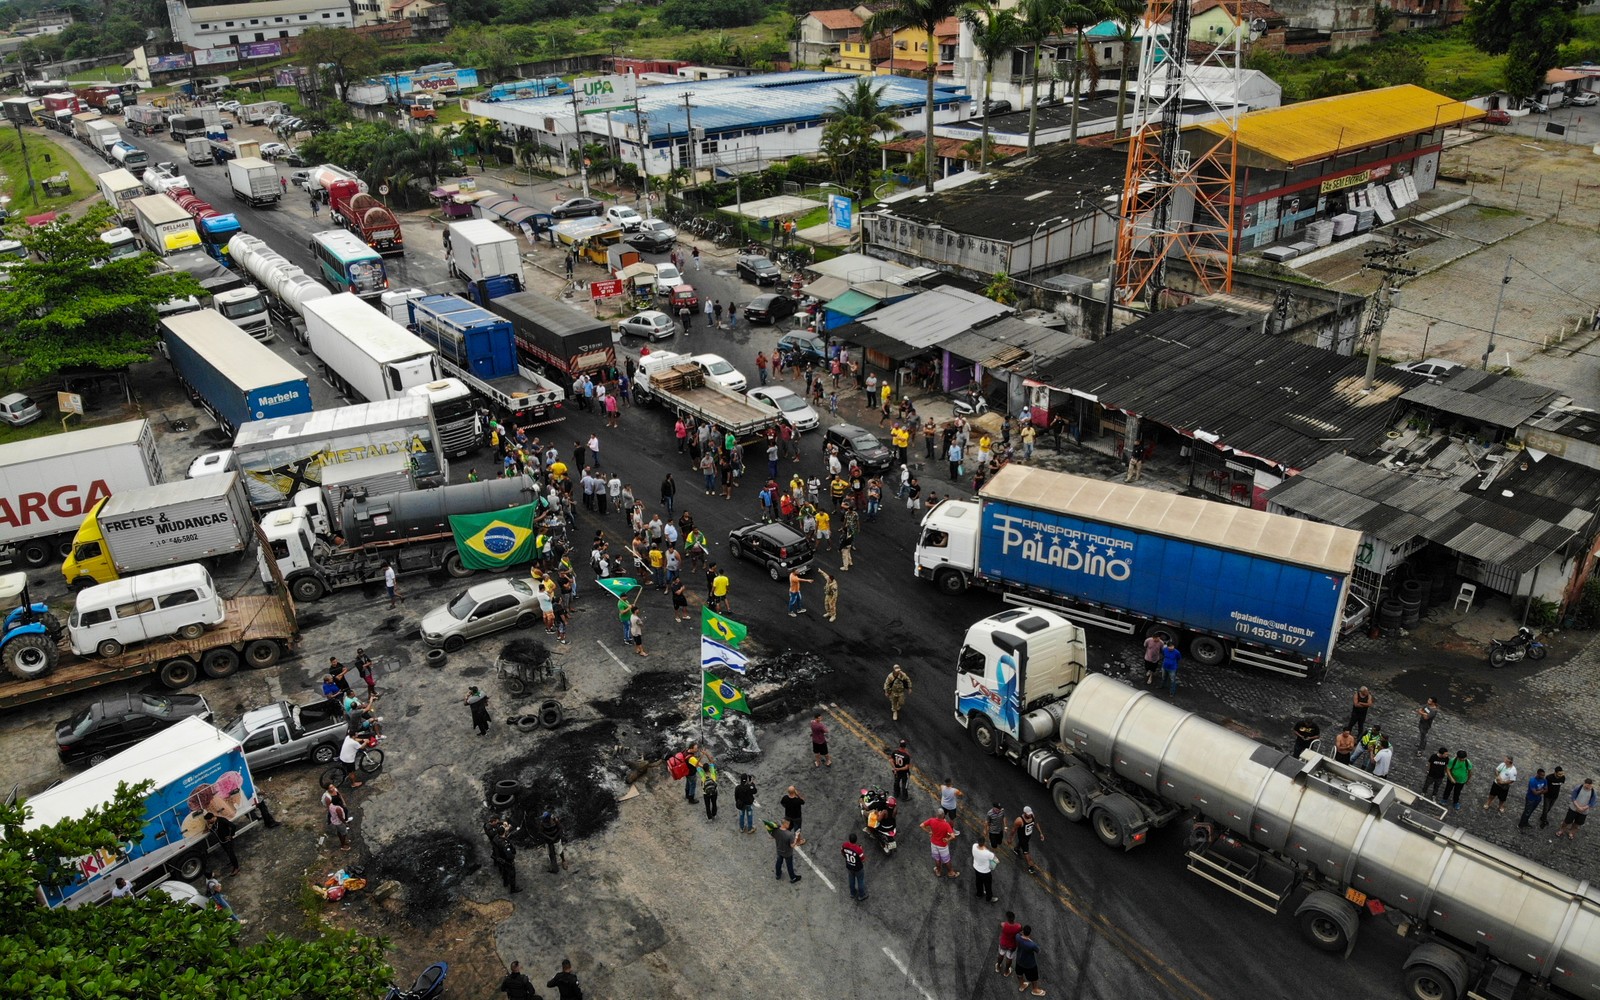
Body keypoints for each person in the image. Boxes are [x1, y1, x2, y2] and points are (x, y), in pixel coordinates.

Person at [920, 811, 960, 878]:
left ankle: (938, 871)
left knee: (937, 858)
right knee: (947, 860)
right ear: (943, 816)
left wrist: (929, 831)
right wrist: (947, 839)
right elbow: (953, 836)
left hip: (933, 843)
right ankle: (951, 872)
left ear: (936, 815)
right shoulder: (946, 824)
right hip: (942, 846)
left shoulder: (931, 820)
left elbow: (921, 825)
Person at [1009, 805, 1043, 874]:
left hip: (1028, 836)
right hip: (1022, 837)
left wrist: (1041, 833)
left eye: (1030, 813)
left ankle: (1016, 848)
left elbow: (1036, 823)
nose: (1030, 815)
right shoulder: (1019, 820)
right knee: (1026, 852)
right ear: (1024, 813)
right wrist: (1010, 838)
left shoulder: (1032, 815)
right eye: (1028, 814)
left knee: (1022, 843)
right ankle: (1031, 867)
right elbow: (1013, 830)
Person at [771, 817, 804, 883]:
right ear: (785, 824)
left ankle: (778, 874)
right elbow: (792, 845)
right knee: (789, 865)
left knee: (779, 862)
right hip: (787, 853)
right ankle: (793, 878)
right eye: (788, 824)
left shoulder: (776, 830)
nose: (789, 825)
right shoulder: (789, 834)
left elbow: (772, 837)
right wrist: (796, 837)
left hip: (779, 850)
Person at [1015, 925, 1044, 997]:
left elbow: (1018, 933)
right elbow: (1038, 951)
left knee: (1019, 974)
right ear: (1030, 933)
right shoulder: (1032, 944)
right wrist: (1030, 940)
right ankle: (1035, 990)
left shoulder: (1017, 937)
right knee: (1034, 978)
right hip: (1030, 964)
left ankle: (1022, 985)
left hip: (1019, 961)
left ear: (1023, 931)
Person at [841, 833, 867, 902]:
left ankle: (852, 893)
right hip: (858, 868)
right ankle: (861, 895)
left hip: (849, 866)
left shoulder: (845, 845)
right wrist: (861, 849)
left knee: (851, 880)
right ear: (856, 840)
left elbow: (842, 852)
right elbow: (863, 860)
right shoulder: (858, 849)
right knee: (860, 881)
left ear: (849, 839)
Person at [971, 837, 999, 903]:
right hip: (985, 872)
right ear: (984, 843)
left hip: (976, 868)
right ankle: (989, 898)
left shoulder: (974, 846)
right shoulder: (988, 853)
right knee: (988, 885)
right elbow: (997, 860)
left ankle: (979, 894)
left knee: (978, 882)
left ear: (978, 842)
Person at [997, 912, 1023, 978]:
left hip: (1003, 943)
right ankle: (1006, 971)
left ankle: (998, 967)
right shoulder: (1018, 926)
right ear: (1014, 918)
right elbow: (1021, 932)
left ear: (1007, 918)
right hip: (1012, 945)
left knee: (1001, 954)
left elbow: (1002, 926)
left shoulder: (1003, 924)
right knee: (1009, 958)